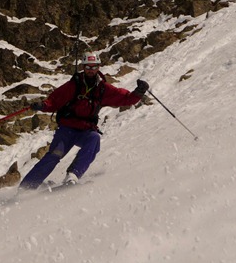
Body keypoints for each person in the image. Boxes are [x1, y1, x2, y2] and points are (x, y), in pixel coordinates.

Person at [19, 52, 149, 190]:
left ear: (98, 67)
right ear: (83, 67)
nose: (91, 70)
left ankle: (73, 175)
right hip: (67, 128)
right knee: (55, 154)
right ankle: (27, 187)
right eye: (88, 67)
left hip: (85, 130)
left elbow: (125, 98)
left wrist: (139, 92)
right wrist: (43, 105)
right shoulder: (73, 85)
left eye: (94, 67)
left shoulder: (103, 88)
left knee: (94, 139)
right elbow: (54, 100)